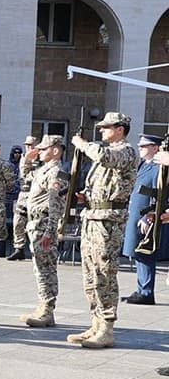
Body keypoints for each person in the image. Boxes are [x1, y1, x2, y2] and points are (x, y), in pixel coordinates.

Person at [64, 113, 139, 349]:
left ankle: (107, 327)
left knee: (104, 273)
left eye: (106, 127)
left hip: (109, 220)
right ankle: (96, 323)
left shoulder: (125, 150)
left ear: (120, 129)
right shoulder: (106, 153)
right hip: (93, 216)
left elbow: (105, 157)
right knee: (90, 274)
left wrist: (82, 144)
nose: (101, 131)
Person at [18, 135, 68, 328]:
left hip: (44, 223)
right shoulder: (43, 170)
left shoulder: (56, 172)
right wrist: (28, 160)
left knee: (46, 268)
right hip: (35, 224)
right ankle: (42, 306)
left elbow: (56, 204)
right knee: (40, 268)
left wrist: (50, 231)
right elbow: (25, 177)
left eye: (43, 149)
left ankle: (47, 310)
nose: (39, 152)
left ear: (55, 150)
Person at [123, 135, 169, 305]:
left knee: (145, 252)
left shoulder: (160, 167)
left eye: (145, 146)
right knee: (138, 253)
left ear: (155, 148)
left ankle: (147, 291)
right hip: (135, 214)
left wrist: (148, 215)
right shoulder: (144, 165)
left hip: (146, 216)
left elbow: (160, 193)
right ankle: (141, 289)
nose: (140, 148)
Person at [8, 135, 40, 260]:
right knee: (18, 221)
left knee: (35, 223)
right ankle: (18, 248)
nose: (29, 147)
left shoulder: (41, 158)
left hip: (35, 193)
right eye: (27, 145)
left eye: (32, 145)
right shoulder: (23, 157)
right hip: (23, 192)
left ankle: (36, 249)